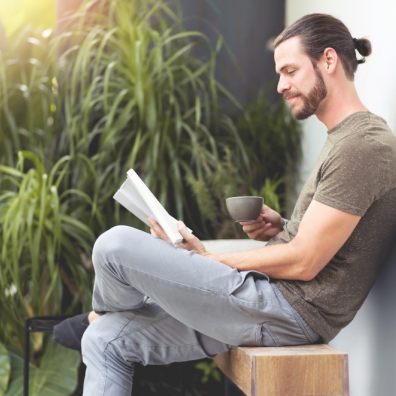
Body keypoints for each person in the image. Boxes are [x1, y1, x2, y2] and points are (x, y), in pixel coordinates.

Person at [54, 13, 396, 395]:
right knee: (104, 339)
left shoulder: (363, 145)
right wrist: (281, 226)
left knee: (113, 245)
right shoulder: (344, 139)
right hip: (268, 302)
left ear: (328, 61)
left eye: (290, 70)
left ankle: (105, 309)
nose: (281, 85)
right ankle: (107, 316)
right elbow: (325, 243)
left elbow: (305, 261)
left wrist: (204, 261)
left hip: (285, 309)